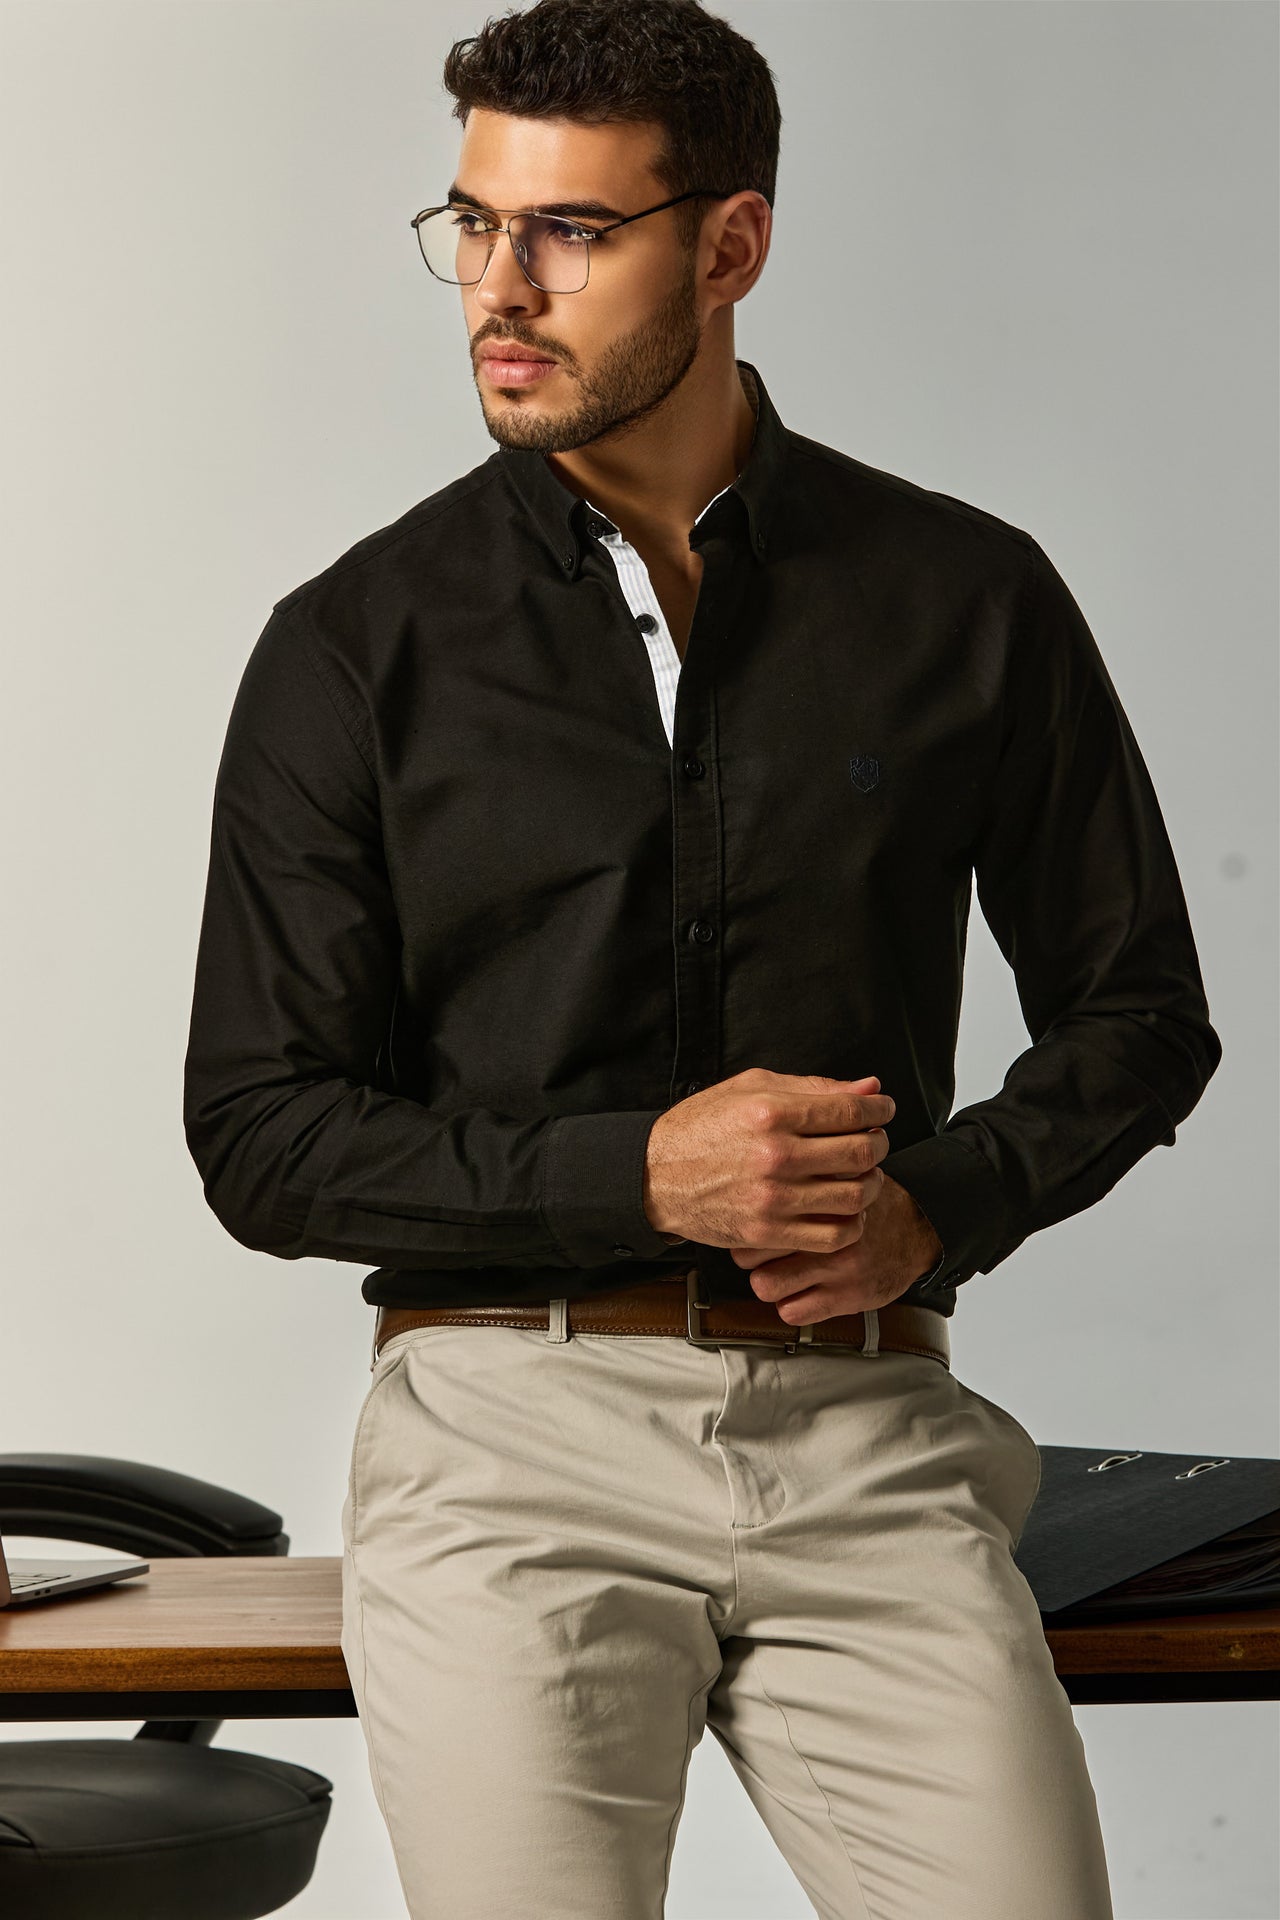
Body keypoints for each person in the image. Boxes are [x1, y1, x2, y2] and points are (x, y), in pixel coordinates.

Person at [182, 3, 1221, 1915]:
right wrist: (639, 1176)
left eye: (570, 232)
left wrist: (936, 1207)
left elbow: (1144, 1013)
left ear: (729, 245)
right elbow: (262, 1133)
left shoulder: (965, 597)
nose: (500, 288)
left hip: (871, 1431)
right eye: (473, 223)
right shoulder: (352, 647)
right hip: (508, 1445)